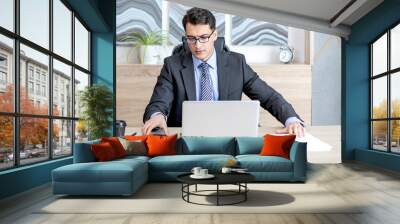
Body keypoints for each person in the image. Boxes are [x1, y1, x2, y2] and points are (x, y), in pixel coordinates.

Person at [142, 7, 305, 137]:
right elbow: (158, 102)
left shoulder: (236, 64)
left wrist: (291, 120)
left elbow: (269, 97)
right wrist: (157, 115)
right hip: (186, 139)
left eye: (204, 37)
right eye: (191, 38)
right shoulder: (173, 65)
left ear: (215, 35)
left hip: (228, 137)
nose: (198, 45)